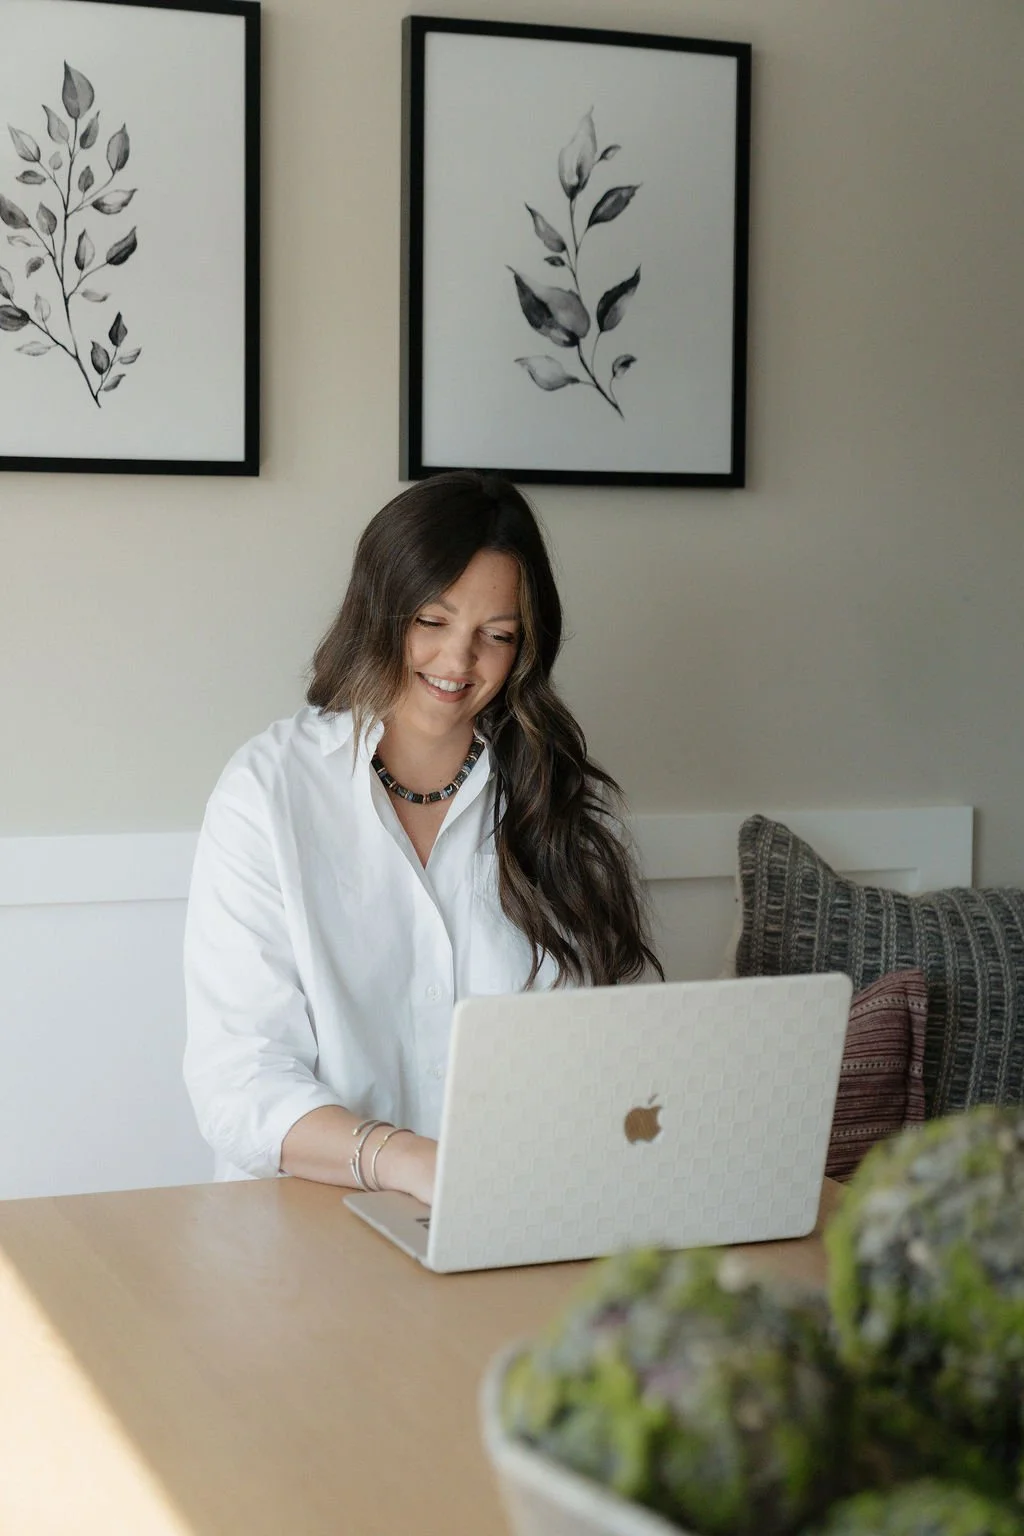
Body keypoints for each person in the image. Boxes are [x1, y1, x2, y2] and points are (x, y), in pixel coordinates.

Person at [183, 470, 661, 1205]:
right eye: (432, 623)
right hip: (307, 1223)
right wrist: (409, 1161)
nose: (458, 662)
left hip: (519, 1210)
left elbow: (617, 1053)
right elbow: (238, 1079)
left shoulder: (557, 803)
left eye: (495, 636)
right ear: (380, 611)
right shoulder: (268, 794)